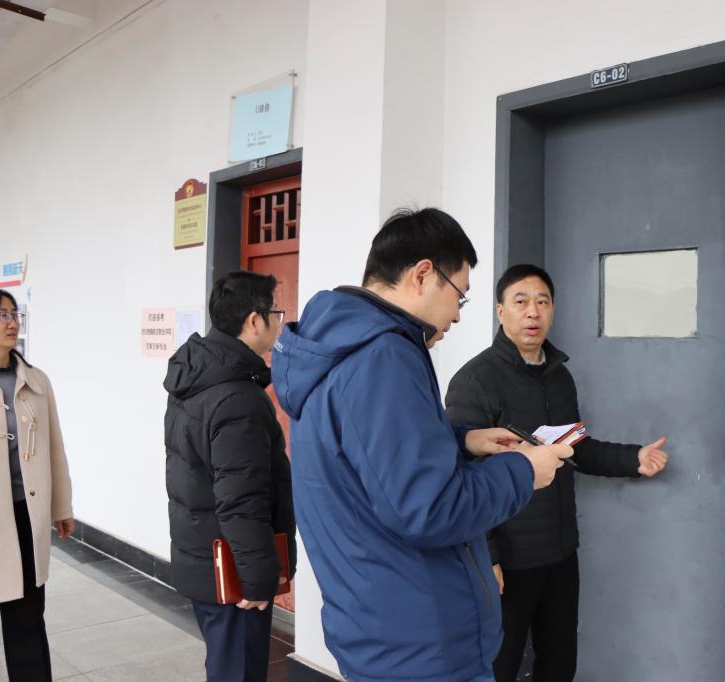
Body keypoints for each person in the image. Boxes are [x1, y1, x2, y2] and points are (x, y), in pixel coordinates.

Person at [271, 208, 573, 682]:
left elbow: (370, 453)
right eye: (459, 295)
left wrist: (463, 440)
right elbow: (432, 508)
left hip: (379, 623)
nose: (457, 313)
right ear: (423, 274)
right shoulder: (383, 355)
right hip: (419, 643)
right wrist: (525, 471)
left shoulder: (345, 348)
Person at [445, 264, 669, 682]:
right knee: (498, 666)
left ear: (552, 310)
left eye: (542, 302)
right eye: (521, 301)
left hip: (560, 551)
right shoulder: (475, 380)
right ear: (500, 311)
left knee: (559, 662)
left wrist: (633, 459)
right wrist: (488, 557)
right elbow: (462, 475)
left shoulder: (560, 377)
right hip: (508, 560)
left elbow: (575, 449)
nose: (533, 311)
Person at [164, 271, 297, 682]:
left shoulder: (196, 375)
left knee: (225, 666)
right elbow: (241, 498)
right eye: (276, 314)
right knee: (238, 671)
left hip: (205, 558)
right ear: (254, 320)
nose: (279, 323)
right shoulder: (237, 396)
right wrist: (257, 580)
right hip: (233, 571)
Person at [0, 287, 73, 682]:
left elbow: (54, 449)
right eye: (0, 315)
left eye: (14, 314)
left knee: (27, 622)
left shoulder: (36, 381)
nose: (12, 322)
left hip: (22, 514)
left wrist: (61, 507)